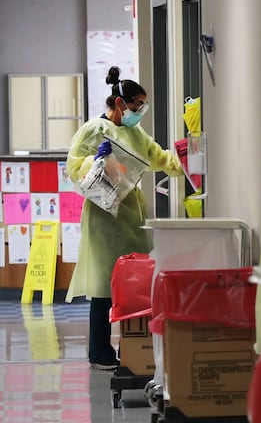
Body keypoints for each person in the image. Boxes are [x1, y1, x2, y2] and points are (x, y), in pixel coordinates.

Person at [65, 66, 183, 370]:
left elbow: (156, 156)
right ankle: (99, 352)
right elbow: (74, 167)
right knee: (104, 287)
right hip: (104, 216)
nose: (139, 111)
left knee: (135, 283)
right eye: (136, 105)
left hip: (131, 212)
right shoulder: (94, 130)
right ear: (120, 103)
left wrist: (183, 159)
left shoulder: (134, 131)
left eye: (141, 106)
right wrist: (96, 159)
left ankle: (134, 347)